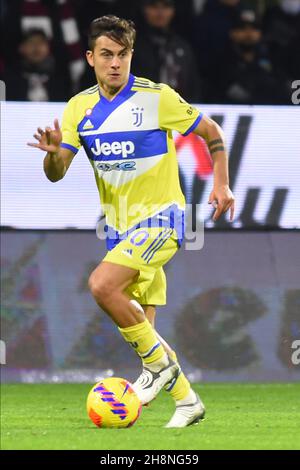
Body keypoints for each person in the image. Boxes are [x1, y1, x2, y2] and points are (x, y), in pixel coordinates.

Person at [28, 15, 235, 427]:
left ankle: (158, 373)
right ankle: (187, 400)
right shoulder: (78, 108)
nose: (115, 63)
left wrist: (222, 185)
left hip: (164, 220)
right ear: (90, 58)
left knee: (102, 284)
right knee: (145, 331)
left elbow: (210, 130)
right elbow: (58, 171)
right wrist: (53, 154)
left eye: (122, 54)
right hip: (120, 231)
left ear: (131, 56)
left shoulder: (156, 97)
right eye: (106, 54)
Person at [131, 0, 202, 102]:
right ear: (144, 9)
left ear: (173, 10)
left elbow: (193, 86)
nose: (160, 12)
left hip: (178, 110)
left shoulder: (182, 46)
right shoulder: (133, 46)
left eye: (166, 6)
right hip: (141, 108)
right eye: (153, 6)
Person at [4, 29, 70, 101]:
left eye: (41, 42)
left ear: (48, 47)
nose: (36, 47)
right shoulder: (10, 78)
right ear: (21, 48)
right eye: (31, 42)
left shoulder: (61, 77)